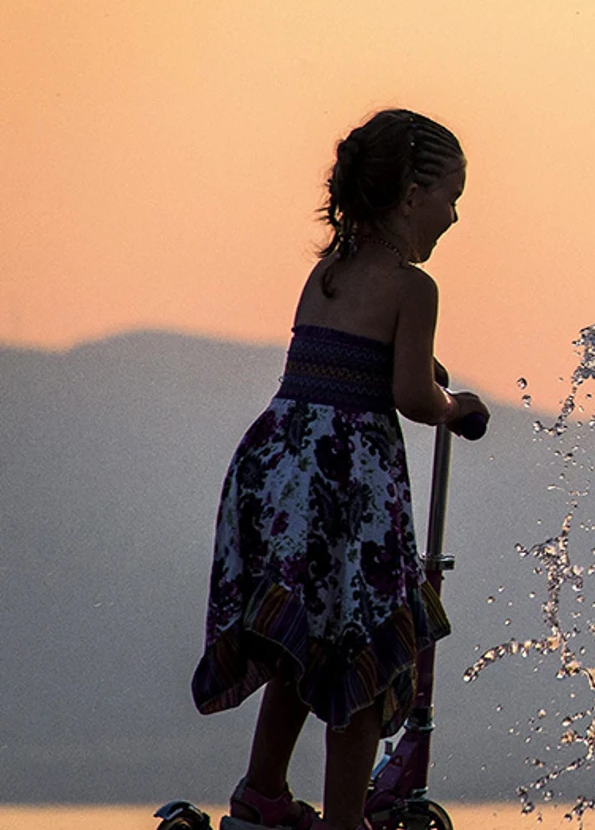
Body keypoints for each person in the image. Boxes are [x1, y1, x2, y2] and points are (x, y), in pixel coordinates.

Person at [191, 109, 489, 830]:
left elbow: (346, 356)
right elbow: (411, 396)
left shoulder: (327, 273)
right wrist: (456, 407)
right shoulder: (414, 287)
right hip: (348, 484)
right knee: (366, 653)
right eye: (450, 197)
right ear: (411, 195)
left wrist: (413, 365)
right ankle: (345, 819)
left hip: (280, 470)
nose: (454, 216)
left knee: (304, 639)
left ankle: (262, 792)